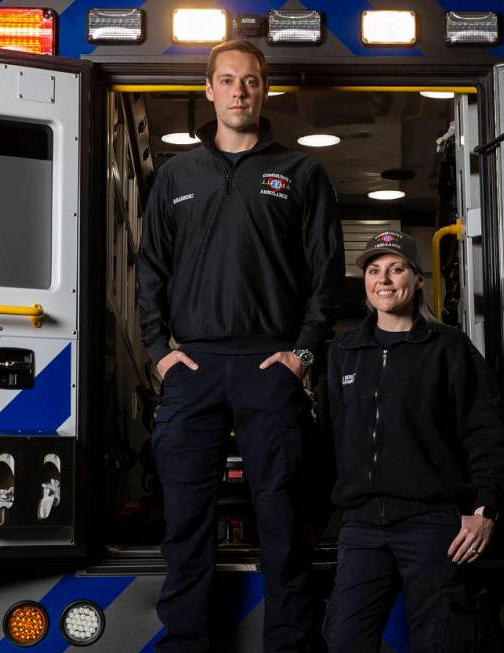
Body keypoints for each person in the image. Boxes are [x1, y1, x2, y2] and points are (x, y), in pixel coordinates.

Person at [136, 39, 344, 653]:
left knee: (282, 519)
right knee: (185, 521)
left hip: (269, 364)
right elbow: (150, 271)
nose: (238, 91)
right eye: (226, 80)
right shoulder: (176, 175)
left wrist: (302, 353)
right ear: (209, 90)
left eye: (250, 81)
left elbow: (325, 277)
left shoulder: (302, 173)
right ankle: (187, 643)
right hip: (192, 366)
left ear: (265, 89)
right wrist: (159, 350)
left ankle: (289, 644)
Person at [322, 230, 504, 653]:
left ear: (418, 278)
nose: (384, 280)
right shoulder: (343, 352)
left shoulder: (449, 348)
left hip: (432, 525)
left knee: (443, 642)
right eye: (374, 271)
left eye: (396, 269)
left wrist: (485, 508)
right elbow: (329, 440)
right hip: (362, 527)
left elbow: (485, 432)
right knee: (344, 641)